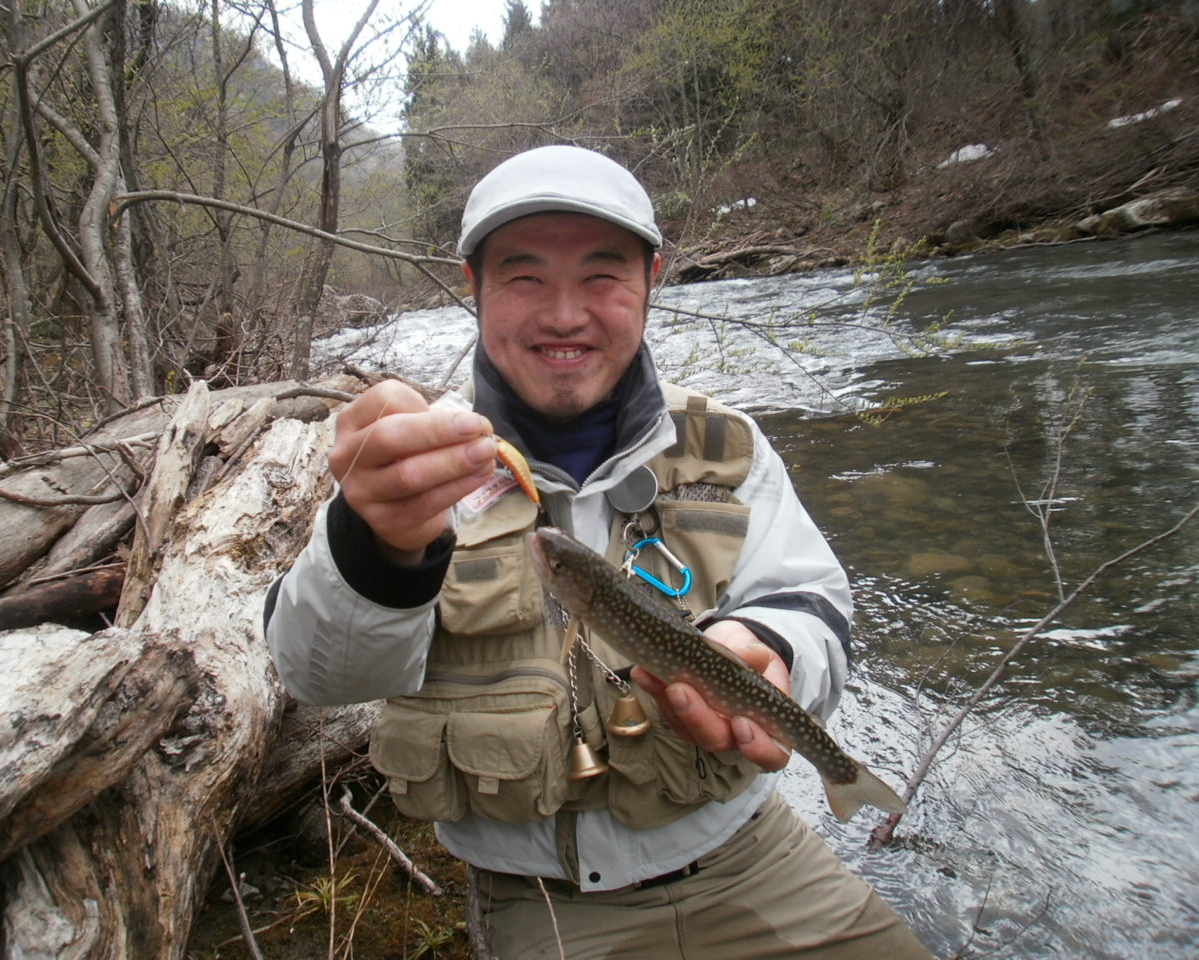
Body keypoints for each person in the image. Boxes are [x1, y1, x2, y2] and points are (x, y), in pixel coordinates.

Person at [264, 145, 932, 959]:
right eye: (525, 276)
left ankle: (845, 778)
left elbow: (815, 604)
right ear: (472, 288)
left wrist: (777, 648)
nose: (564, 315)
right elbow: (322, 678)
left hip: (753, 855)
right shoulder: (407, 462)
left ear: (653, 280)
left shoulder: (728, 448)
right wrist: (378, 548)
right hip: (543, 908)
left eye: (602, 276)